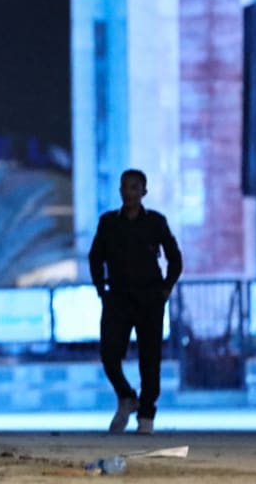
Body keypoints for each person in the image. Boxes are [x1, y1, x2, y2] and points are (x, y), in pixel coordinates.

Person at [88, 169, 183, 435]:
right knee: (109, 355)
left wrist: (165, 289)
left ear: (143, 192)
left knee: (149, 359)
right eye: (124, 187)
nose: (128, 192)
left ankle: (146, 416)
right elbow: (95, 257)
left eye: (134, 187)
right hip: (117, 297)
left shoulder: (155, 222)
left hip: (149, 299)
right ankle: (127, 397)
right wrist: (101, 289)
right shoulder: (108, 222)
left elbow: (175, 259)